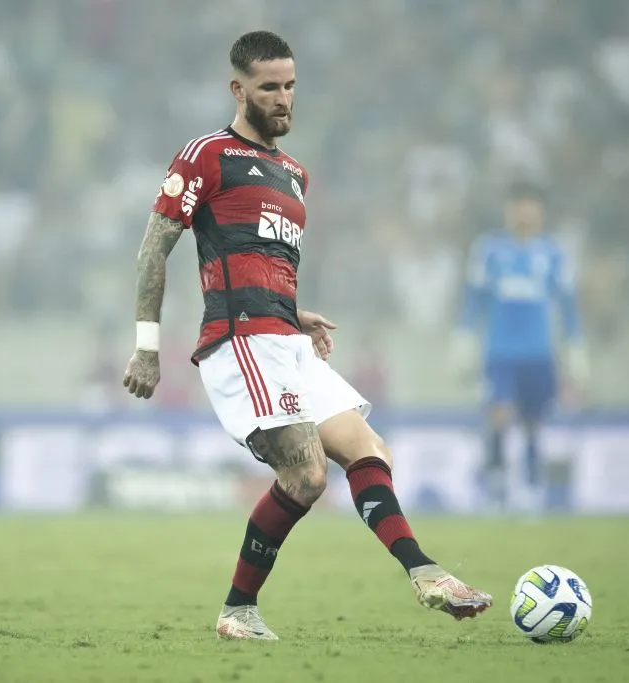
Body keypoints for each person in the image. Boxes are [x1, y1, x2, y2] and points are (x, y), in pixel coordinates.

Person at [122, 30, 491, 641]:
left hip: (285, 340)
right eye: (270, 88)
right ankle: (238, 609)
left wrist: (295, 314)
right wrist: (146, 345)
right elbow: (152, 250)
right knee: (307, 475)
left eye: (290, 85)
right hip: (240, 343)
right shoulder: (205, 155)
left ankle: (425, 573)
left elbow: (254, 258)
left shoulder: (294, 174)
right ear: (238, 90)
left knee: (369, 449)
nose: (284, 98)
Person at [452, 181, 589, 512]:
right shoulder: (490, 250)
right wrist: (465, 338)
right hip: (500, 353)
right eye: (518, 204)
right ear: (509, 210)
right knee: (498, 415)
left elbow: (568, 304)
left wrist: (576, 347)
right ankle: (497, 488)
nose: (523, 211)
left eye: (530, 204)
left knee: (532, 422)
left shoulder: (553, 254)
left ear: (540, 211)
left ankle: (530, 488)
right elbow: (474, 298)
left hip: (539, 354)